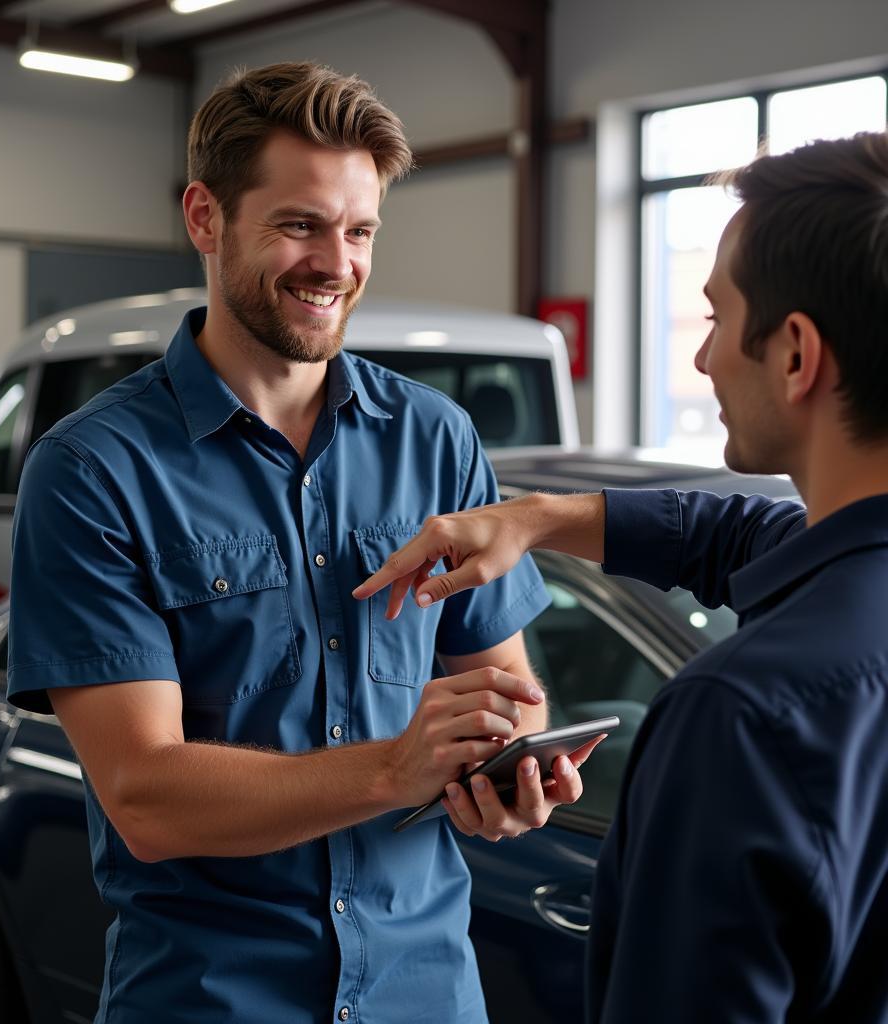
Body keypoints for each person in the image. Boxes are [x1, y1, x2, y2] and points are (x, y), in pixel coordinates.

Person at [7, 62, 599, 1024]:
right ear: (205, 219)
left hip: (427, 993)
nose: (337, 262)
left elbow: (510, 697)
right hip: (210, 1000)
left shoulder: (436, 440)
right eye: (299, 225)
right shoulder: (92, 472)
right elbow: (146, 797)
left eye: (359, 230)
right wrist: (394, 768)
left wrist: (517, 773)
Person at [353, 130, 888, 1021]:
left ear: (796, 354)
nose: (701, 357)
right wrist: (533, 517)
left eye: (716, 319)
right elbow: (740, 537)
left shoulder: (739, 719)